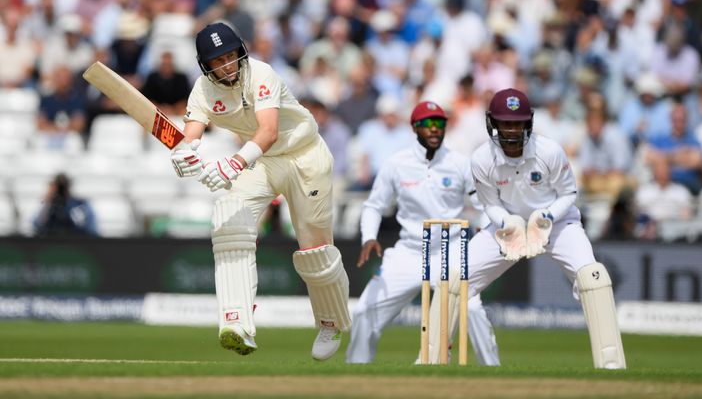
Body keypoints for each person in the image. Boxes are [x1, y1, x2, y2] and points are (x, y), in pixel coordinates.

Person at [169, 22, 351, 361]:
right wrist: (183, 155)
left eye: (230, 56)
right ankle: (237, 321)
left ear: (240, 51)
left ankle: (330, 321)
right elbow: (190, 135)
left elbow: (267, 132)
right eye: (217, 61)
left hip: (304, 157)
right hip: (263, 163)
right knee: (229, 220)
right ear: (205, 66)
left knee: (315, 252)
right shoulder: (203, 91)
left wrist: (233, 164)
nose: (226, 66)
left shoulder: (262, 74)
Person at [465, 88, 626, 369]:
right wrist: (508, 223)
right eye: (505, 123)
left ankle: (612, 368)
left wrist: (546, 218)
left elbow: (569, 193)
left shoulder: (548, 150)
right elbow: (489, 204)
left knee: (593, 278)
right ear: (494, 123)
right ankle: (434, 360)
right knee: (455, 280)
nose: (512, 130)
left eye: (517, 123)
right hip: (507, 225)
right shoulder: (481, 158)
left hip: (558, 223)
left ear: (528, 123)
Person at [346, 101, 500, 366]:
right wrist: (368, 237)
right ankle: (356, 371)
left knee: (472, 309)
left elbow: (484, 206)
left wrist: (488, 233)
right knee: (364, 311)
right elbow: (374, 206)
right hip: (409, 252)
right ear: (415, 127)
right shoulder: (396, 164)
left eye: (439, 124)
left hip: (450, 251)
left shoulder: (461, 163)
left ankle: (494, 371)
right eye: (428, 124)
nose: (434, 129)